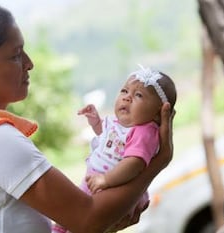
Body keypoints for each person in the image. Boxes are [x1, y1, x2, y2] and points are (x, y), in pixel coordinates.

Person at [0, 2, 175, 233]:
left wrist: (103, 219)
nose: (29, 63)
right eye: (15, 55)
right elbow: (87, 218)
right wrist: (158, 161)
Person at [52, 67, 177, 233]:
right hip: (97, 183)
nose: (127, 98)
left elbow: (134, 162)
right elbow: (109, 140)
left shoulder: (144, 131)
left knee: (77, 215)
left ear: (158, 113)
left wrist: (106, 180)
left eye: (138, 95)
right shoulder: (120, 125)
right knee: (71, 214)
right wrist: (96, 122)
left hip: (113, 186)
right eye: (124, 91)